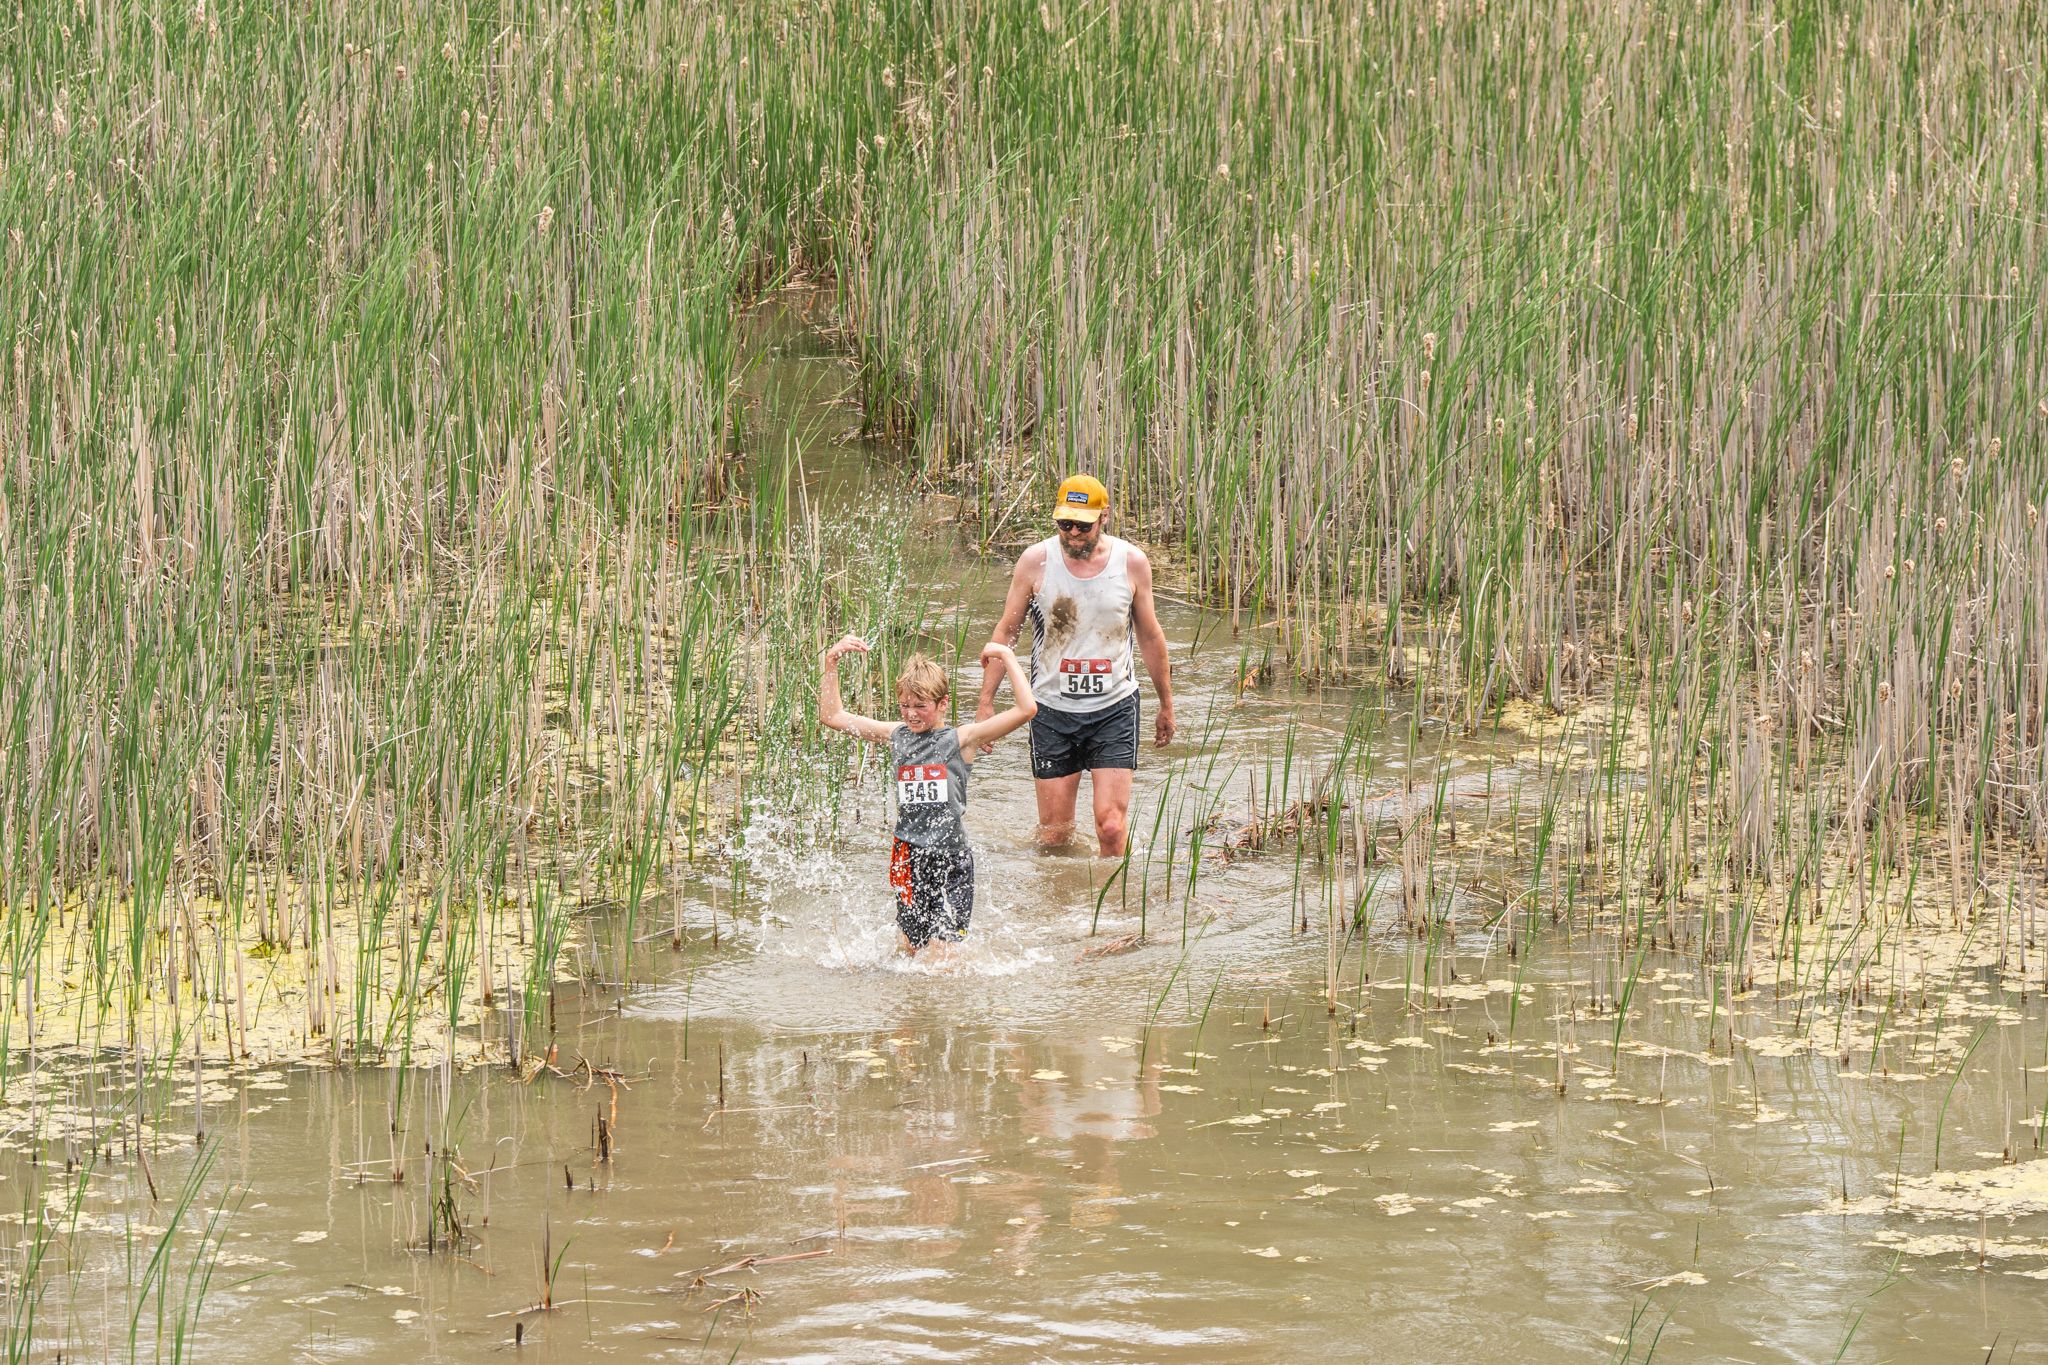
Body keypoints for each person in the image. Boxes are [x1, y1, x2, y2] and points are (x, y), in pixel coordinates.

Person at [974, 474, 1174, 857]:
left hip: (1114, 707)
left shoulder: (1131, 563)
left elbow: (1150, 637)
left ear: (1104, 517)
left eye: (1082, 525)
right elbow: (1006, 633)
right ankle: (1060, 913)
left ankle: (1114, 909)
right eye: (1064, 524)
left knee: (1111, 827)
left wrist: (1166, 704)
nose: (1073, 534)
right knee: (1054, 837)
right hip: (1051, 708)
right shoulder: (1035, 562)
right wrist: (986, 703)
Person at [818, 637, 1037, 954]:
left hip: (950, 857)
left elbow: (1026, 708)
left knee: (941, 951)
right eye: (905, 706)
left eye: (921, 706)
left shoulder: (964, 739)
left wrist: (1006, 655)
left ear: (943, 703)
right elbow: (833, 716)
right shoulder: (895, 735)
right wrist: (830, 663)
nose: (911, 714)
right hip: (908, 856)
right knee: (908, 949)